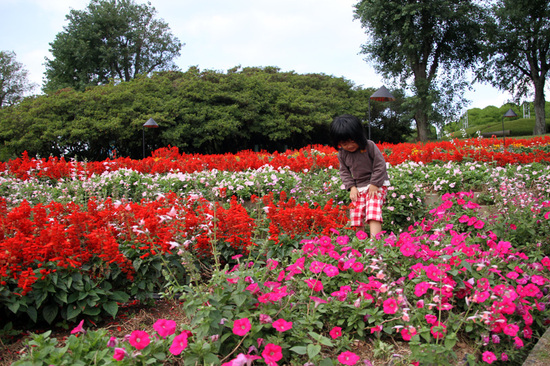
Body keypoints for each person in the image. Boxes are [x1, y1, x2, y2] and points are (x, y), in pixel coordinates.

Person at [330, 114, 390, 238]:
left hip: (377, 184)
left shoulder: (369, 146)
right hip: (359, 187)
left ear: (359, 136)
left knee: (373, 211)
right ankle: (361, 242)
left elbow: (380, 165)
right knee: (356, 214)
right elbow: (344, 172)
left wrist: (374, 184)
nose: (349, 146)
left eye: (352, 141)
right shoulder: (342, 154)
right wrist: (352, 187)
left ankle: (376, 243)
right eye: (344, 143)